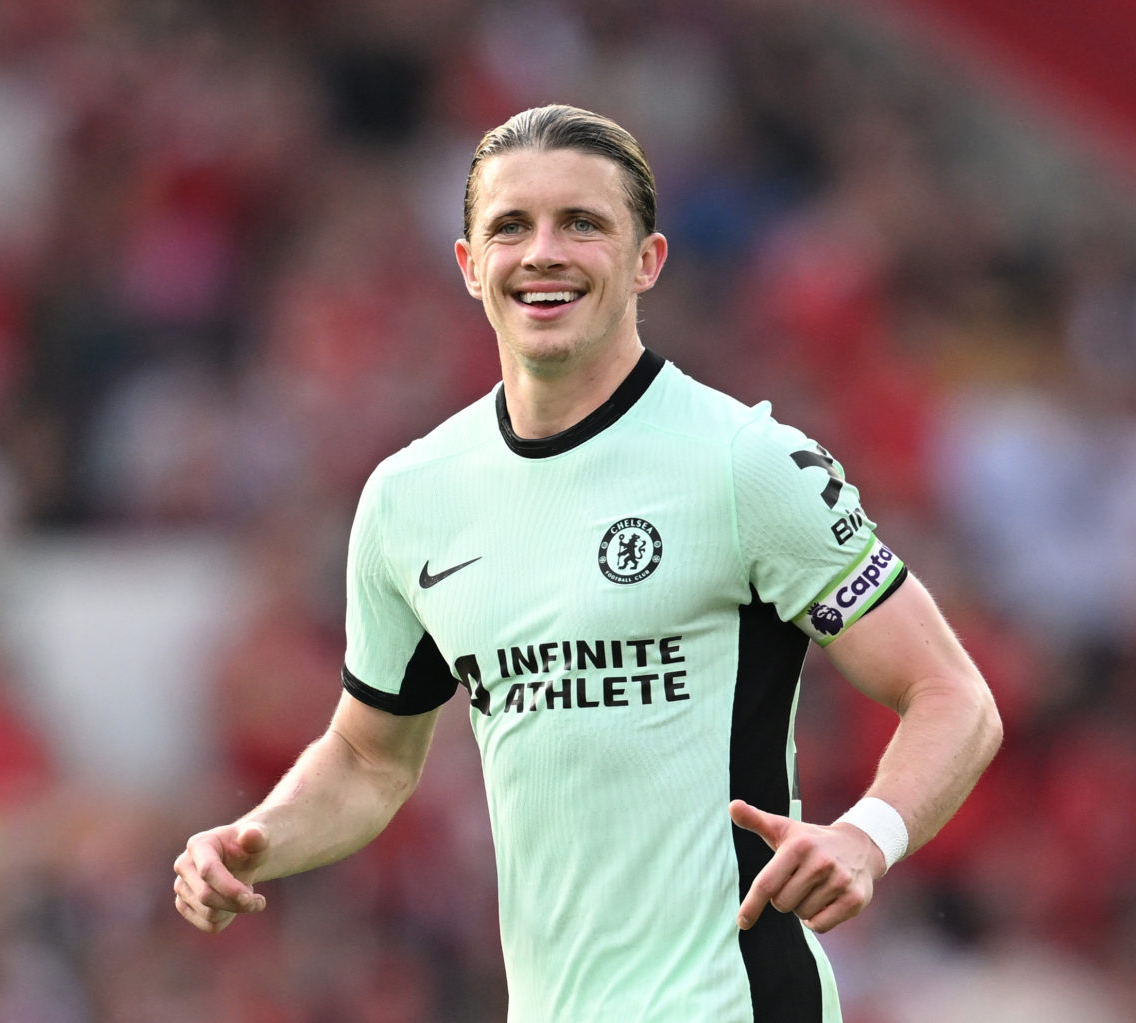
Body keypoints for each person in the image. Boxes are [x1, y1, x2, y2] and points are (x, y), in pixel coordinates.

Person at [173, 104, 1003, 1022]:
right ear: (468, 266)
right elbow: (369, 756)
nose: (543, 253)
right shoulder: (410, 499)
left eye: (583, 223)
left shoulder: (743, 463)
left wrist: (866, 836)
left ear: (646, 260)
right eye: (511, 227)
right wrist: (258, 836)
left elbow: (953, 695)